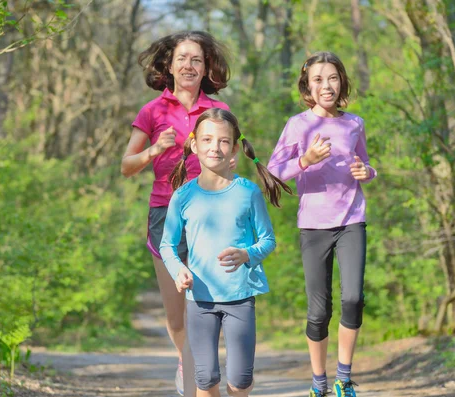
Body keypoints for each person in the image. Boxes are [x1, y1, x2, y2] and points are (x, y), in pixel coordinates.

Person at [120, 31, 231, 397]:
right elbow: (126, 165)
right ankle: (190, 361)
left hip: (209, 214)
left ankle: (202, 380)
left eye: (196, 59)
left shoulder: (219, 112)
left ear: (205, 68)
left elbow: (231, 167)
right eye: (182, 58)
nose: (188, 65)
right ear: (169, 65)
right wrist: (155, 150)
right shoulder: (153, 111)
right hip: (164, 214)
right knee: (175, 314)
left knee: (206, 303)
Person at [160, 108, 292, 397]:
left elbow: (268, 240)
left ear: (234, 148)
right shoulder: (183, 196)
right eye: (207, 140)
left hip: (240, 298)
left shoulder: (248, 193)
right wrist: (177, 270)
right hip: (200, 300)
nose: (214, 147)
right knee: (205, 379)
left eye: (222, 141)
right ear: (194, 145)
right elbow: (167, 245)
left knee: (240, 380)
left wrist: (247, 254)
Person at [267, 51, 377, 397]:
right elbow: (273, 172)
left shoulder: (354, 123)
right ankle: (319, 382)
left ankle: (343, 377)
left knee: (354, 299)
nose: (326, 85)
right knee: (318, 311)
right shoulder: (298, 125)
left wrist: (367, 172)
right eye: (318, 79)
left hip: (351, 221)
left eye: (332, 78)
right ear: (307, 86)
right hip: (314, 226)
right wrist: (305, 159)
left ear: (341, 81)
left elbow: (367, 166)